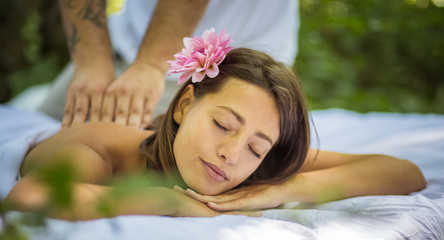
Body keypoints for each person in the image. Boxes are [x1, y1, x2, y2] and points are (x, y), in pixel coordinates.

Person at [4, 30, 426, 220]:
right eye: (224, 124)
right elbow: (30, 195)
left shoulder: (250, 163)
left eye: (258, 148)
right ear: (185, 104)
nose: (232, 152)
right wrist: (169, 203)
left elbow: (405, 173)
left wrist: (283, 188)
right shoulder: (104, 150)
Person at [38, 0, 299, 129]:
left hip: (231, 71)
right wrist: (90, 62)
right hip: (117, 47)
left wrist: (151, 66)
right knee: (30, 142)